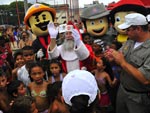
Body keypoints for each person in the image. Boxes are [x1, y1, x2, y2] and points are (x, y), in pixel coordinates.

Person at [105, 13, 150, 113]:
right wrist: (113, 58)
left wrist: (122, 62)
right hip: (123, 90)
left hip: (139, 98)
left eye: (128, 29)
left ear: (138, 29)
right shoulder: (130, 42)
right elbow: (119, 56)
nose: (125, 32)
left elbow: (146, 79)